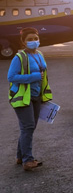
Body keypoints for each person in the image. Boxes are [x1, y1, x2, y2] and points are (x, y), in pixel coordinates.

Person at [8, 27, 52, 171]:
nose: (34, 41)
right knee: (28, 127)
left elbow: (43, 76)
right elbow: (11, 77)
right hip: (22, 98)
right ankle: (28, 160)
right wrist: (33, 77)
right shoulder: (19, 57)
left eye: (35, 39)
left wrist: (44, 95)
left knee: (28, 127)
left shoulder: (39, 54)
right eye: (30, 39)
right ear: (23, 42)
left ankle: (20, 156)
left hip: (36, 96)